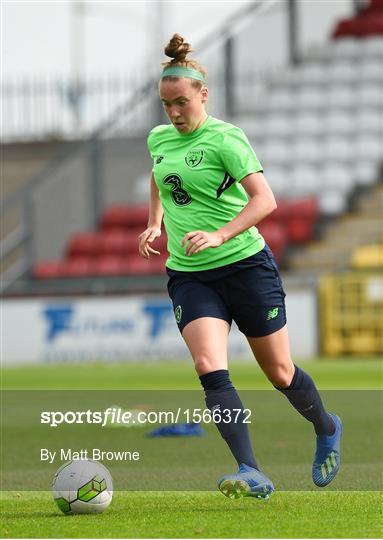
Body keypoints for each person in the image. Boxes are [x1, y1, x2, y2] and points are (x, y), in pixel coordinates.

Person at [139, 33, 342, 500]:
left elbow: (264, 200)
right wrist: (155, 222)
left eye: (181, 103)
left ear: (203, 95)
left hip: (246, 265)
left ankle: (327, 426)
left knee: (280, 373)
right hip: (190, 275)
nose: (173, 113)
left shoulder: (226, 139)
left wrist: (219, 234)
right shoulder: (159, 138)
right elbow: (158, 173)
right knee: (209, 365)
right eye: (166, 104)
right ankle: (250, 469)